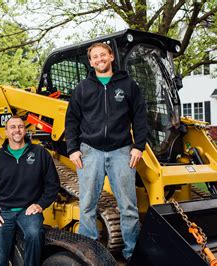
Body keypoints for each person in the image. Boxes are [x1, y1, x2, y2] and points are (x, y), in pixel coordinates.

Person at [65, 42, 148, 261]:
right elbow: (72, 119)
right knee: (87, 205)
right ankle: (88, 253)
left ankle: (132, 254)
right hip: (90, 151)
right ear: (91, 62)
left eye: (103, 55)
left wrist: (138, 146)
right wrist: (73, 149)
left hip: (121, 151)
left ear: (111, 56)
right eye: (95, 57)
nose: (99, 59)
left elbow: (140, 116)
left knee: (128, 206)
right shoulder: (83, 87)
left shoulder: (128, 85)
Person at [0, 115, 60, 266]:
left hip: (28, 210)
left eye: (20, 126)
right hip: (4, 211)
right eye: (13, 127)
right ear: (6, 132)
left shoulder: (40, 153)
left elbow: (53, 185)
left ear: (25, 130)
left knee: (34, 234)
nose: (17, 130)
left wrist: (40, 204)